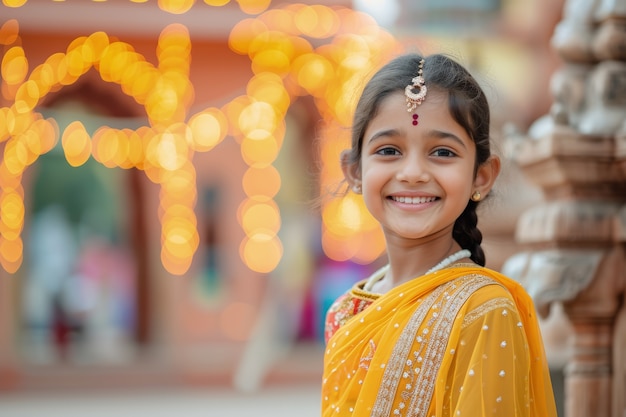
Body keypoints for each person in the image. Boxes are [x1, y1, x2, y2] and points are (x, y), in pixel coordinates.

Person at [321, 53, 557, 417]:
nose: (413, 172)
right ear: (354, 171)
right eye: (388, 151)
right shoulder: (345, 312)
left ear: (482, 176)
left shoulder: (483, 309)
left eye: (442, 152)